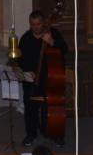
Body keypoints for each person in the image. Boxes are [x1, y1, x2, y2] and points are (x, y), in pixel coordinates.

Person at [18, 10, 68, 147]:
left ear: (43, 23)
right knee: (30, 107)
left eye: (38, 24)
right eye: (33, 24)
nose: (36, 27)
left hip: (50, 78)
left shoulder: (53, 33)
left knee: (51, 107)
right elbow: (20, 60)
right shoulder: (25, 38)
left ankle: (55, 134)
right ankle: (31, 134)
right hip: (32, 79)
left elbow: (65, 49)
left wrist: (52, 41)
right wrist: (28, 71)